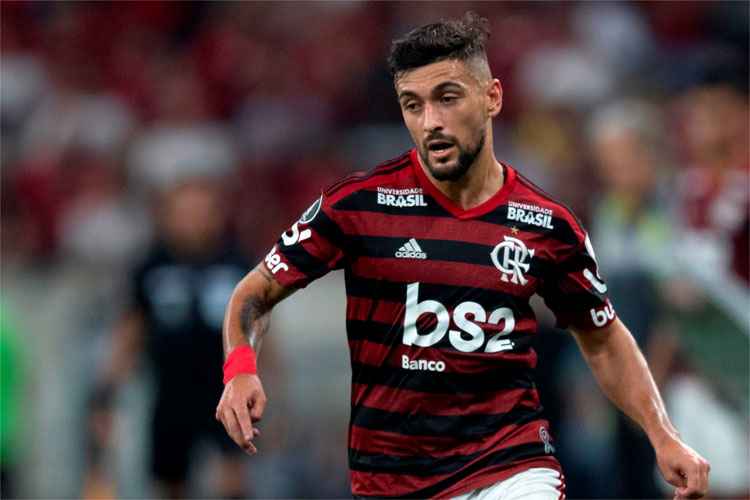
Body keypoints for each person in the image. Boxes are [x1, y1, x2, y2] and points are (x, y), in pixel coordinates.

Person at [216, 12, 710, 499]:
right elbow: (255, 292)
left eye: (447, 98)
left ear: (492, 96)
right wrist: (240, 368)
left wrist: (662, 434)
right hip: (390, 478)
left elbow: (602, 339)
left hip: (511, 465)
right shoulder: (358, 206)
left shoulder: (549, 226)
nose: (430, 122)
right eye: (413, 105)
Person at [91, 177, 250, 498]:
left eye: (201, 211)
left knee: (233, 479)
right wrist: (106, 390)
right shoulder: (152, 264)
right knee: (170, 482)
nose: (192, 221)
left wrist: (269, 379)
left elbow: (257, 325)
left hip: (224, 390)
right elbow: (131, 330)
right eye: (184, 212)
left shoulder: (236, 263)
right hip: (170, 393)